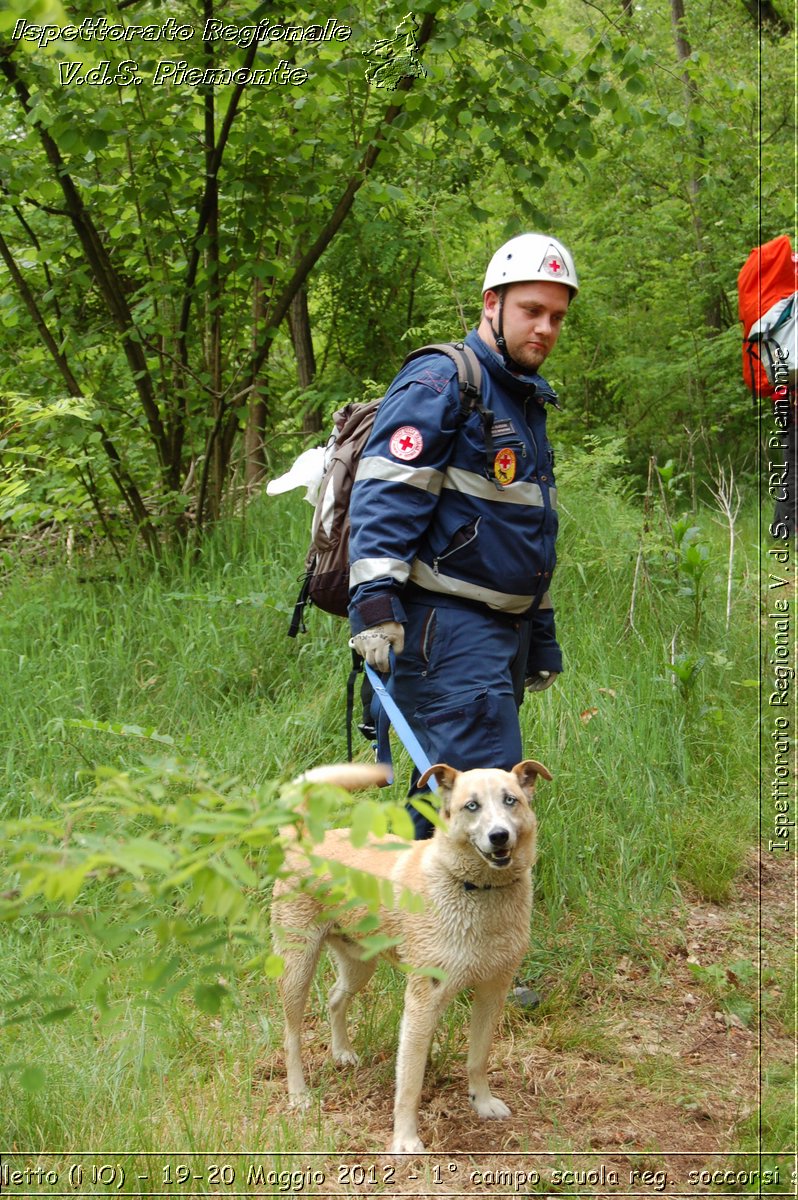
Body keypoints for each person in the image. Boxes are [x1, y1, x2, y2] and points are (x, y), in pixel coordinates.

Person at [348, 232, 577, 838]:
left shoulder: (522, 399)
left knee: (454, 803)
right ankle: (440, 930)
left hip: (503, 637)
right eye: (532, 310)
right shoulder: (444, 380)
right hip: (447, 633)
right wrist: (373, 604)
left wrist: (542, 635)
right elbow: (386, 492)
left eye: (557, 316)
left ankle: (410, 925)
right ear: (491, 303)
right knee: (480, 811)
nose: (546, 328)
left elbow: (523, 529)